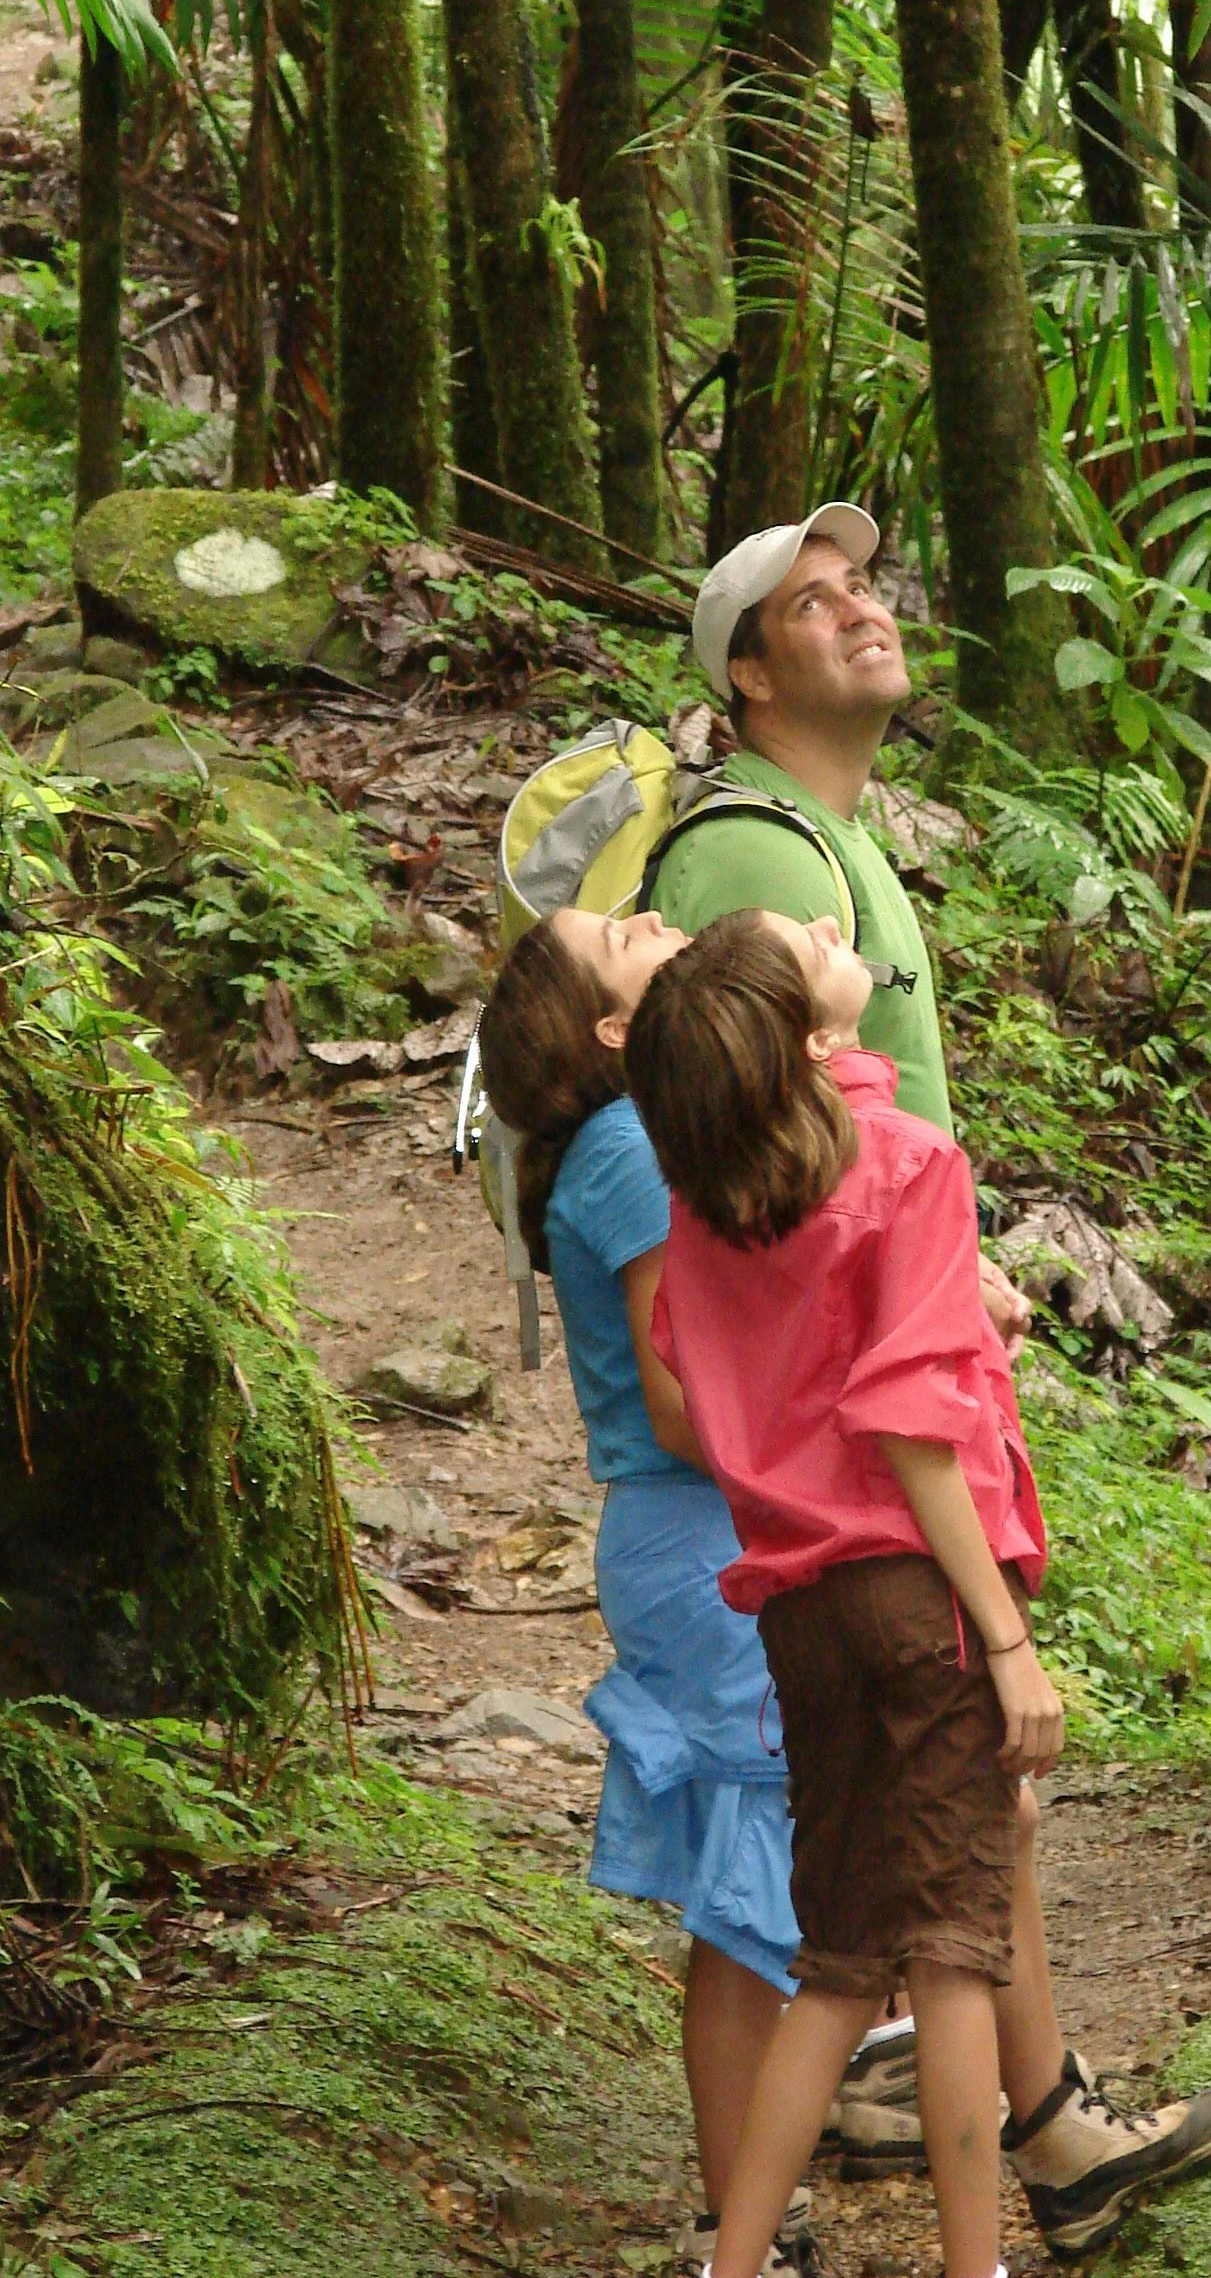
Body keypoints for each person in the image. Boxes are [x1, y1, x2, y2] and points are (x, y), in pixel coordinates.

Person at [647, 507, 1211, 2254]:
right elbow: (785, 1169)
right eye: (808, 604)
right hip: (885, 1519)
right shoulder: (750, 873)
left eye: (866, 585)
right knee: (953, 1881)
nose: (862, 612)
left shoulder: (838, 848)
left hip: (811, 1539)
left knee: (907, 1893)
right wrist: (998, 1611)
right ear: (746, 674)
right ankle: (1013, 2187)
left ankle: (1033, 2129)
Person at [477, 905, 813, 2276]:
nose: (660, 915)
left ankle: (753, 2213)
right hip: (699, 1535)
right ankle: (741, 2227)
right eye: (626, 932)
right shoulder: (626, 1150)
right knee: (743, 1902)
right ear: (612, 1031)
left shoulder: (641, 1136)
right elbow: (683, 1401)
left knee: (764, 1881)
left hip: (710, 1526)